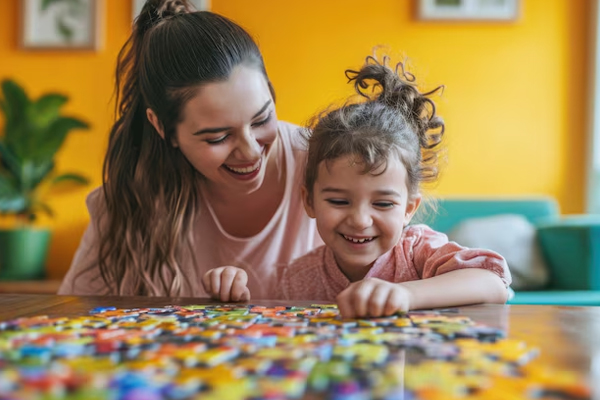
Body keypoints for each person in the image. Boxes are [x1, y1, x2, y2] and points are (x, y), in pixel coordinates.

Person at [202, 56, 511, 317]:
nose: (360, 220)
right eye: (338, 201)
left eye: (383, 204)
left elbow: (493, 282)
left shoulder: (418, 251)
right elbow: (275, 327)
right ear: (309, 201)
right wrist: (233, 292)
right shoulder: (298, 277)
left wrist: (405, 295)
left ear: (408, 209)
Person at [58, 0, 322, 296]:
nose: (249, 151)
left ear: (271, 93)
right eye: (217, 138)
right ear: (162, 127)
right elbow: (78, 312)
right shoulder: (130, 199)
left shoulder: (326, 163)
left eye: (261, 119)